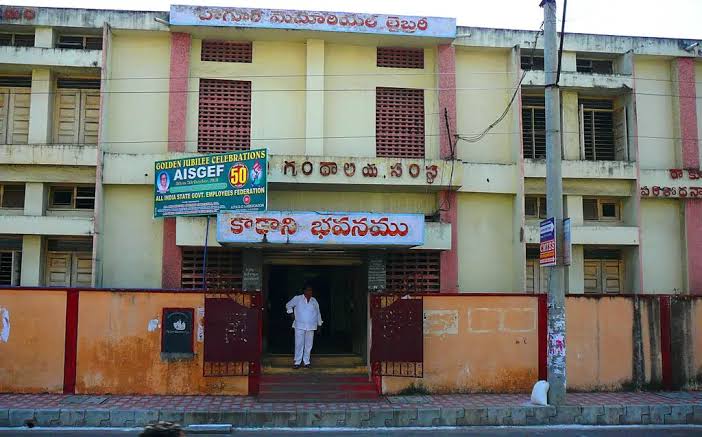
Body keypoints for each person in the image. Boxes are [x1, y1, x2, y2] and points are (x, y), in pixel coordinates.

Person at [285, 283, 323, 369]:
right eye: (308, 290)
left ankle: (306, 362)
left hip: (311, 326)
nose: (310, 292)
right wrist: (291, 313)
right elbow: (288, 305)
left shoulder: (314, 301)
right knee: (299, 344)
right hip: (299, 325)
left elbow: (318, 313)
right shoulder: (297, 298)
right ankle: (297, 362)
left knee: (309, 345)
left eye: (311, 290)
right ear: (304, 291)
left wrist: (319, 325)